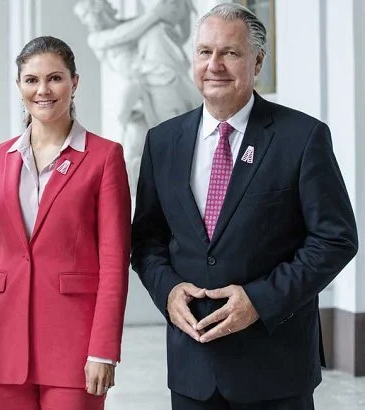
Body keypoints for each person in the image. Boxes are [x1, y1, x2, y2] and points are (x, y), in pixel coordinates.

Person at [131, 4, 358, 410]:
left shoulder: (302, 137)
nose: (214, 65)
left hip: (275, 366)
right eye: (204, 52)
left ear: (257, 60)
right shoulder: (162, 141)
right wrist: (167, 291)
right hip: (192, 367)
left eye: (230, 53)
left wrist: (260, 300)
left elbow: (335, 238)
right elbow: (148, 239)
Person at [0, 36, 130, 410]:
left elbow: (114, 263)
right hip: (5, 342)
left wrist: (104, 350)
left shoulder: (104, 158)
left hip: (74, 343)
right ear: (19, 86)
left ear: (75, 83)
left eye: (55, 78)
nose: (43, 90)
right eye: (31, 80)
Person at [75, 0, 201, 204]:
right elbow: (126, 34)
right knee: (149, 143)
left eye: (88, 14)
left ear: (103, 10)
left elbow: (149, 26)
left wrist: (175, 10)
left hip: (156, 78)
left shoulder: (134, 24)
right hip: (140, 90)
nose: (88, 21)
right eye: (84, 18)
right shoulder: (96, 38)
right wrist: (157, 14)